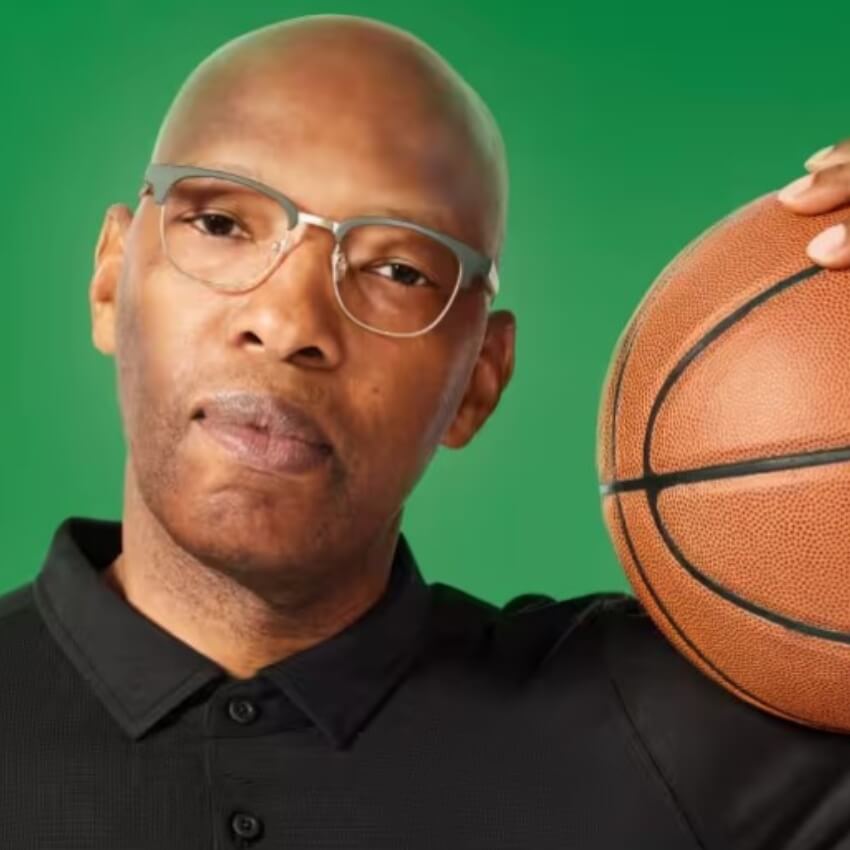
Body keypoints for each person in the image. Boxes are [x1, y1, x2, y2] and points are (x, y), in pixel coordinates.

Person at [2, 12, 849, 849]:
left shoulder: (678, 734)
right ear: (111, 279)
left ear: (480, 378)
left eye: (398, 270)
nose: (288, 320)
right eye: (221, 223)